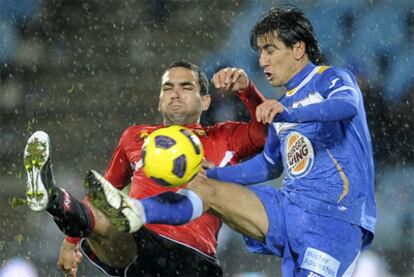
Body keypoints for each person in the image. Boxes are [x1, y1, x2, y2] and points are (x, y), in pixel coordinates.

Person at [87, 7, 377, 277]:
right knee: (203, 186)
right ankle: (135, 211)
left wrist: (290, 113)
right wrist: (211, 172)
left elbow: (347, 106)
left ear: (298, 48)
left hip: (335, 221)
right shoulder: (282, 104)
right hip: (289, 209)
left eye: (270, 50)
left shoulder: (333, 79)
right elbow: (268, 165)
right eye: (260, 51)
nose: (262, 60)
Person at [23, 60, 268, 276]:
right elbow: (101, 193)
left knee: (116, 218)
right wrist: (71, 241)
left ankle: (60, 203)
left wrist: (247, 90)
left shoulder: (225, 137)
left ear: (205, 101)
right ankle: (53, 198)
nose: (175, 94)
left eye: (186, 87)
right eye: (167, 88)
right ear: (160, 102)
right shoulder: (135, 137)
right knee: (108, 212)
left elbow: (267, 133)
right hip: (139, 245)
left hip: (194, 258)